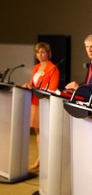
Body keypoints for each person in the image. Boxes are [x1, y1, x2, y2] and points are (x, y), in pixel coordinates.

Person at [22, 42, 60, 171]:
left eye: (43, 52)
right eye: (38, 52)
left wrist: (38, 89)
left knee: (44, 133)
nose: (40, 54)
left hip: (44, 103)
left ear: (48, 53)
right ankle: (40, 159)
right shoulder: (36, 67)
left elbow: (53, 88)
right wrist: (28, 86)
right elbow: (33, 83)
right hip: (34, 101)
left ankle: (44, 160)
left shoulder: (53, 68)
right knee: (38, 132)